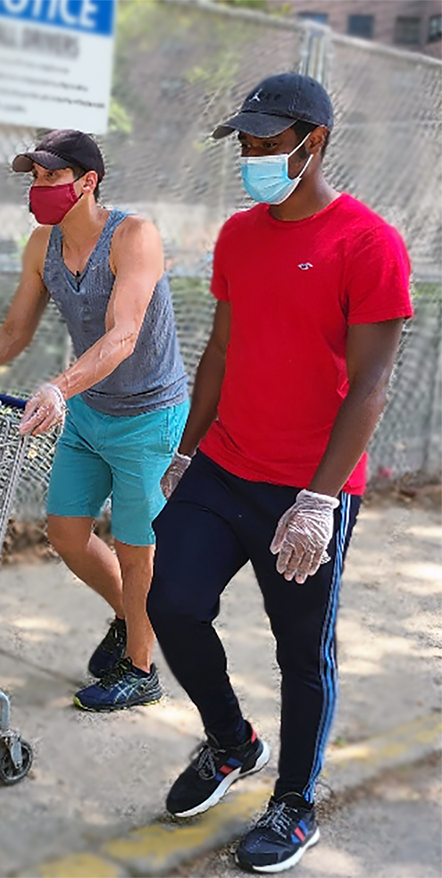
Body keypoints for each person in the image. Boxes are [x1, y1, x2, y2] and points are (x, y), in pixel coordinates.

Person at [147, 73, 412, 873]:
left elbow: (370, 385)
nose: (253, 158)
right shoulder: (239, 236)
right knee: (172, 603)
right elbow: (221, 350)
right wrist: (187, 449)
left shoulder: (367, 244)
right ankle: (233, 742)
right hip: (225, 464)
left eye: (268, 144)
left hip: (307, 484)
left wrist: (320, 500)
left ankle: (295, 802)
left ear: (315, 143)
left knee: (302, 650)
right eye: (247, 145)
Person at [0, 129, 189, 711]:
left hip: (148, 418)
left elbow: (124, 335)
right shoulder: (42, 246)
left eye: (51, 176)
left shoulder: (133, 236)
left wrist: (59, 386)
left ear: (87, 182)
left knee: (135, 550)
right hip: (88, 412)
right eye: (35, 177)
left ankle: (142, 670)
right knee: (67, 535)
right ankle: (130, 619)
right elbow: (12, 335)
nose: (39, 187)